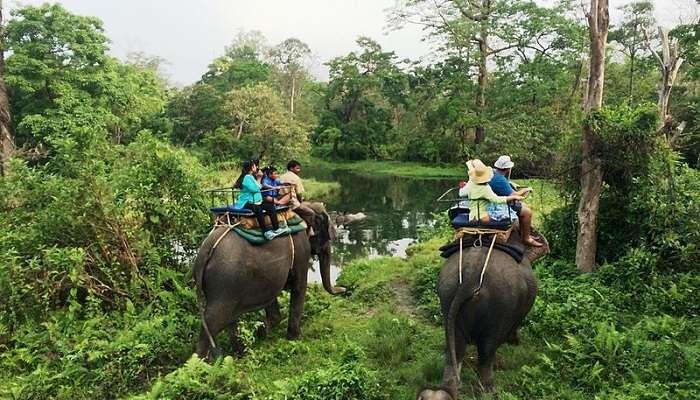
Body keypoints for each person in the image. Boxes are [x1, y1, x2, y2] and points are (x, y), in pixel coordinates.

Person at [489, 155, 543, 247]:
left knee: (523, 206)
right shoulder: (500, 180)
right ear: (508, 168)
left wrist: (510, 183)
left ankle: (524, 233)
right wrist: (526, 189)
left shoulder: (494, 173)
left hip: (494, 200)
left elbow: (505, 184)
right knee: (527, 212)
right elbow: (514, 195)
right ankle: (526, 238)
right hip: (499, 204)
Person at [233, 160, 289, 240]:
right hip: (246, 202)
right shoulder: (247, 177)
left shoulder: (250, 176)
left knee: (270, 206)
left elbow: (258, 187)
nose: (256, 167)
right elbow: (255, 189)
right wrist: (259, 178)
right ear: (252, 167)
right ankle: (265, 231)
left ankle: (276, 228)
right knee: (258, 209)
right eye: (255, 166)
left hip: (255, 201)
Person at [459, 159, 523, 222]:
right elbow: (497, 200)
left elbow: (461, 194)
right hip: (483, 217)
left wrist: (463, 187)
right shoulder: (485, 188)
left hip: (472, 216)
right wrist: (513, 197)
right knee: (506, 215)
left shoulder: (471, 185)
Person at [279, 160, 316, 232]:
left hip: (281, 202)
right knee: (311, 213)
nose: (299, 170)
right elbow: (299, 193)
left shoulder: (281, 177)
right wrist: (300, 201)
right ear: (291, 169)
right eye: (297, 168)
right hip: (292, 203)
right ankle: (308, 231)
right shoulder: (296, 178)